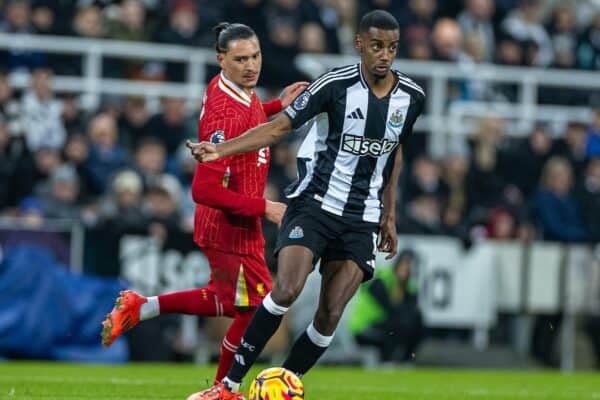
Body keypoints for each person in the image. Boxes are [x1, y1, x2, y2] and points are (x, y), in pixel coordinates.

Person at [186, 10, 425, 400]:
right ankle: (226, 387)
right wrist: (221, 149)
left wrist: (390, 214)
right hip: (314, 204)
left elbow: (395, 152)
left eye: (393, 48)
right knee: (286, 289)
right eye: (377, 46)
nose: (385, 55)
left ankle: (284, 384)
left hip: (361, 218)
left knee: (330, 313)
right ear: (360, 45)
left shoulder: (411, 97)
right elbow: (281, 126)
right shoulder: (334, 84)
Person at [100, 22, 308, 384]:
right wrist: (267, 207)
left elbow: (248, 116)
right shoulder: (224, 114)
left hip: (231, 223)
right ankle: (222, 388)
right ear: (221, 59)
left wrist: (276, 106)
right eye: (240, 59)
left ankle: (141, 306)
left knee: (227, 301)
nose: (251, 66)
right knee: (256, 309)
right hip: (230, 226)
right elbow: (203, 191)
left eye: (255, 56)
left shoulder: (231, 89)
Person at [349, 249, 423, 364]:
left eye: (409, 266)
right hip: (365, 327)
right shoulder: (381, 281)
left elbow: (412, 313)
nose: (405, 270)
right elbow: (391, 309)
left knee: (417, 321)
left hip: (384, 324)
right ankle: (387, 361)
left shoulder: (410, 288)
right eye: (404, 265)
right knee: (396, 323)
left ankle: (406, 360)